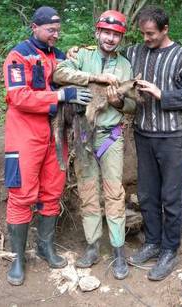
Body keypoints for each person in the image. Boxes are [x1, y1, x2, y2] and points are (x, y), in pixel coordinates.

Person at [2, 6, 93, 286]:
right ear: (34, 27)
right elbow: (18, 96)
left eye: (58, 30)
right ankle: (18, 257)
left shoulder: (59, 56)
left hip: (56, 132)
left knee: (52, 190)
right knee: (21, 193)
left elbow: (74, 71)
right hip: (24, 132)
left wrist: (80, 55)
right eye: (50, 30)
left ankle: (45, 247)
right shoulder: (18, 56)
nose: (56, 34)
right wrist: (60, 94)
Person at [124, 6, 182, 281]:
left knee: (171, 196)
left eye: (151, 34)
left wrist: (162, 94)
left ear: (165, 30)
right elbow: (112, 64)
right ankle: (152, 242)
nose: (146, 38)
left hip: (173, 137)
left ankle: (170, 249)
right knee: (147, 194)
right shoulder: (134, 52)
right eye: (143, 33)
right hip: (143, 133)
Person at [53, 10, 135, 280]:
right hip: (84, 132)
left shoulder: (124, 65)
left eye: (116, 34)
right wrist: (94, 78)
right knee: (88, 190)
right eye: (106, 32)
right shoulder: (82, 56)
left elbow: (132, 102)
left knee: (114, 192)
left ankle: (118, 250)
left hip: (111, 135)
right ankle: (91, 246)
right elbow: (60, 73)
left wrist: (118, 102)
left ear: (121, 37)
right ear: (97, 32)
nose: (110, 38)